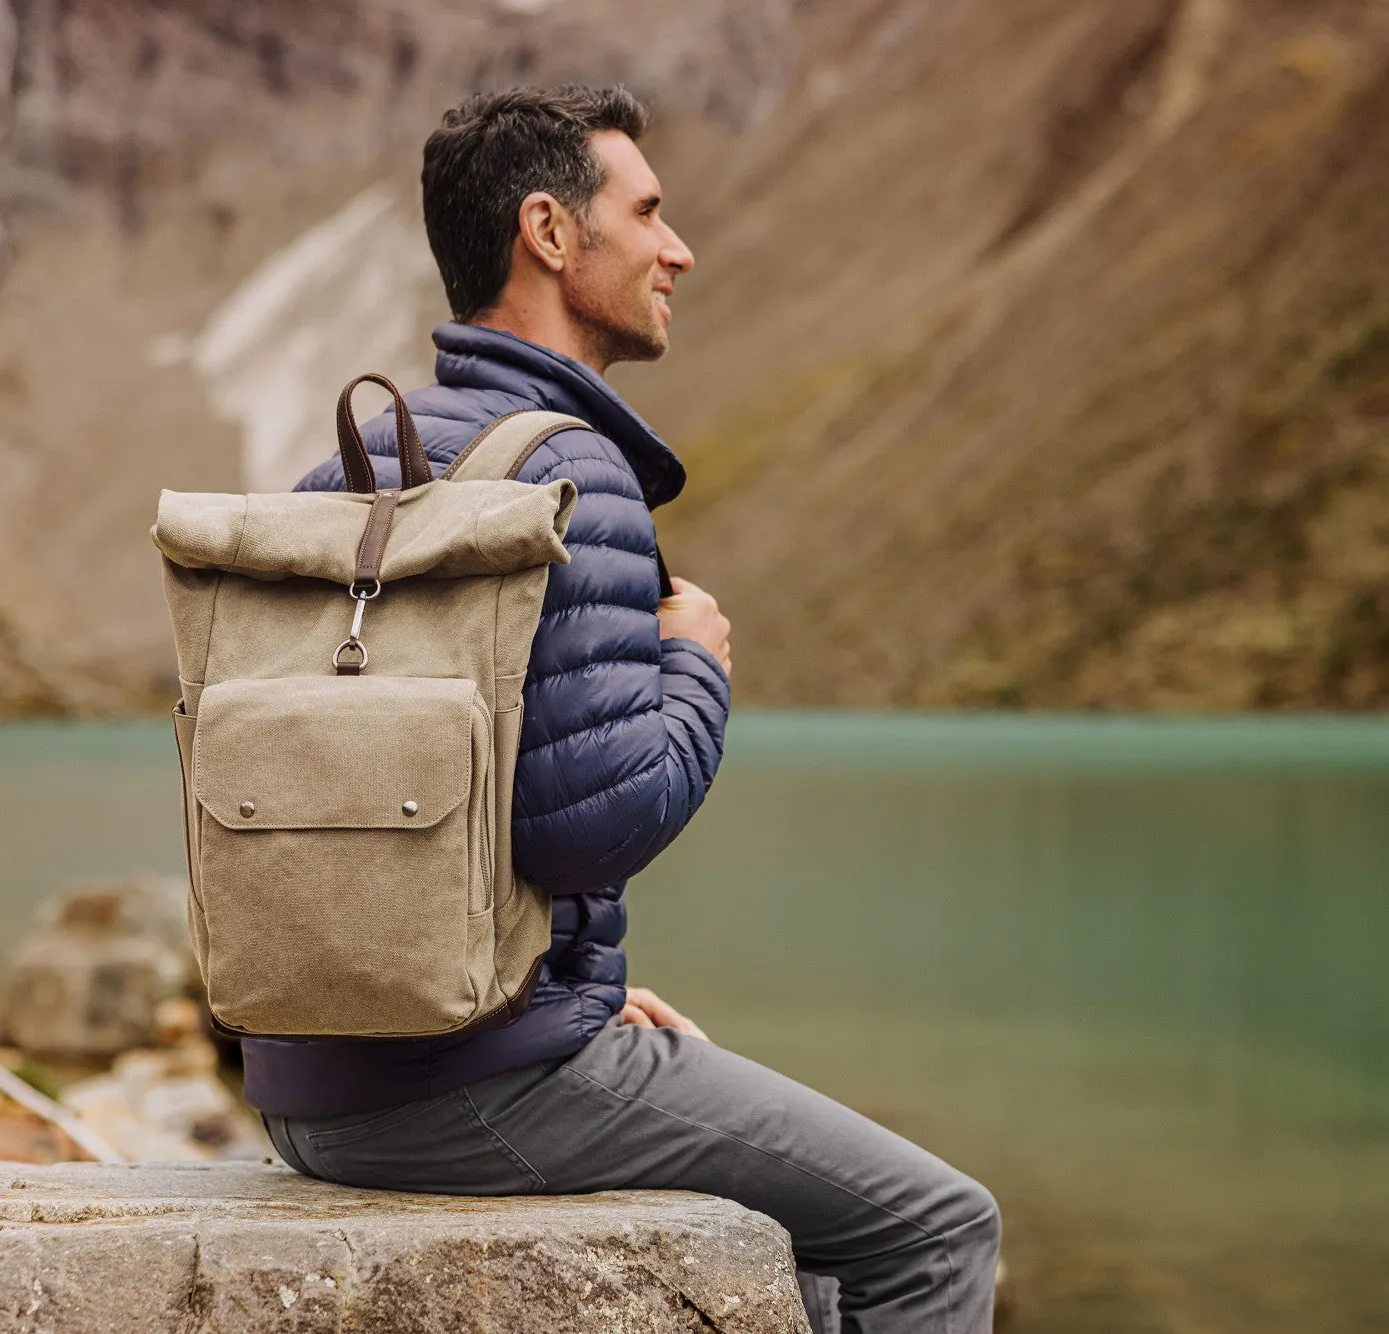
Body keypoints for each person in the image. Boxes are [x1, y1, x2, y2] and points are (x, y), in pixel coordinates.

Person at [252, 84, 1001, 1333]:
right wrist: (693, 660)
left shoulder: (353, 464)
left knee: (812, 1271)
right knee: (935, 1228)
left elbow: (403, 799)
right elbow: (589, 827)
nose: (678, 248)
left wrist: (547, 976)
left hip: (305, 1081)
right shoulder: (567, 470)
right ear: (549, 232)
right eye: (646, 213)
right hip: (461, 1087)